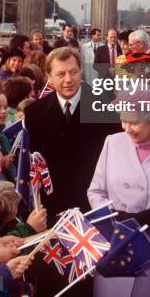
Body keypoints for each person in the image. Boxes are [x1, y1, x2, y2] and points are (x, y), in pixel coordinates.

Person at [88, 87, 150, 297]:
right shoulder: (112, 143)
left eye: (134, 121)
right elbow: (95, 190)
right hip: (116, 246)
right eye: (123, 120)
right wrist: (111, 215)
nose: (127, 128)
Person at [24, 47, 113, 217]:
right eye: (61, 74)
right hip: (51, 207)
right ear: (49, 77)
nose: (68, 79)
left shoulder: (105, 108)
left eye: (73, 72)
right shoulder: (34, 113)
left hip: (91, 206)